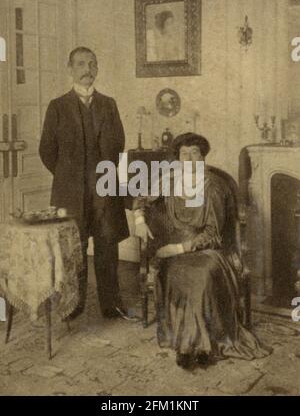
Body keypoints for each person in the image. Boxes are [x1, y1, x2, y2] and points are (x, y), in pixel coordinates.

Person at [134, 132, 272, 369]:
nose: (188, 159)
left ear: (202, 158)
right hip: (174, 254)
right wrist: (139, 219)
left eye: (194, 154)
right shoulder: (169, 180)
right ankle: (189, 344)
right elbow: (141, 199)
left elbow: (213, 235)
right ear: (177, 158)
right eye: (183, 154)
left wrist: (176, 248)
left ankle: (204, 345)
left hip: (209, 251)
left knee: (201, 276)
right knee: (177, 274)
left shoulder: (214, 186)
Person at [39, 47, 130, 321]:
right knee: (73, 249)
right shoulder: (57, 106)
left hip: (104, 190)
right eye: (80, 64)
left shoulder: (109, 104)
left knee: (106, 247)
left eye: (92, 64)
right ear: (70, 68)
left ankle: (111, 305)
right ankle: (73, 304)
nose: (87, 69)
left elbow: (119, 144)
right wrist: (70, 177)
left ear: (97, 69)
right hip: (70, 193)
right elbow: (47, 150)